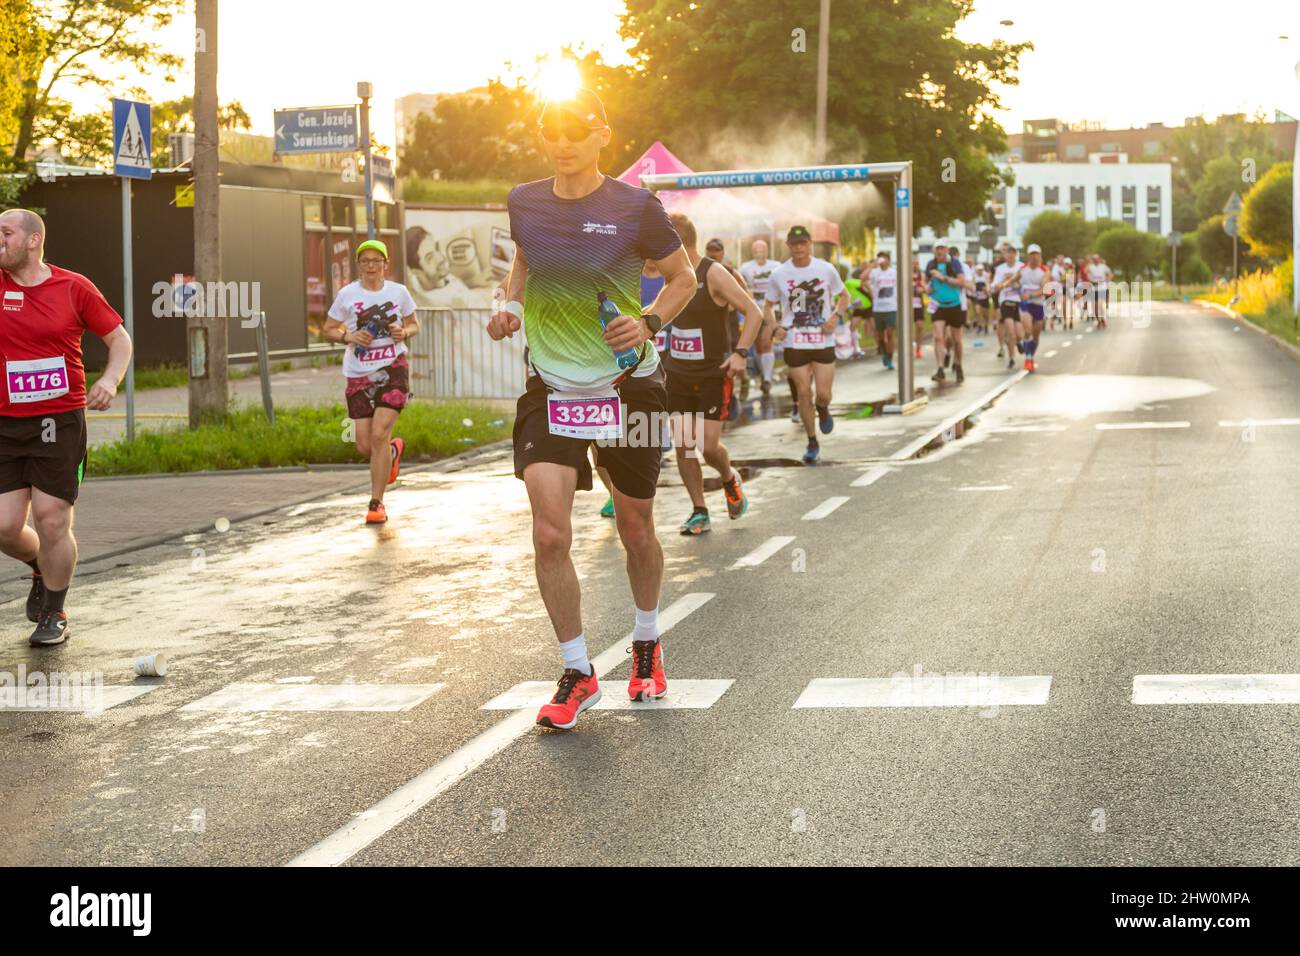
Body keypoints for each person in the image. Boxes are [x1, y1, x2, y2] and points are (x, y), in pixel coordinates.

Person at [488, 88, 695, 729]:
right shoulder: (524, 200)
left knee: (635, 528)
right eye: (553, 128)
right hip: (550, 384)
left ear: (604, 134)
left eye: (578, 128)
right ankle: (579, 672)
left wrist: (650, 321)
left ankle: (646, 641)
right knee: (550, 531)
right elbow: (524, 260)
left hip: (627, 385)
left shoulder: (637, 206)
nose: (564, 138)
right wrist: (511, 306)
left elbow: (681, 277)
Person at [0, 209, 133, 646]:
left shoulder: (73, 287)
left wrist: (110, 380)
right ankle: (41, 563)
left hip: (59, 421)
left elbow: (119, 339)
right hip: (4, 423)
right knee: (3, 526)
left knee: (52, 518)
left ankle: (55, 610)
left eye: (5, 233)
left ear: (33, 240)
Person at [664, 213, 761, 535]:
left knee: (708, 448)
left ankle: (728, 477)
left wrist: (740, 353)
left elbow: (754, 312)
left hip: (711, 373)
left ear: (678, 242)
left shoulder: (713, 272)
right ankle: (699, 509)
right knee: (683, 445)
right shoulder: (670, 275)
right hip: (677, 372)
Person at [323, 239, 419, 525]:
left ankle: (376, 503)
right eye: (365, 261)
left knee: (379, 433)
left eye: (376, 261)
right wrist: (348, 336)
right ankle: (391, 452)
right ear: (359, 266)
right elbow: (327, 328)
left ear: (385, 265)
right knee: (365, 446)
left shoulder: (398, 292)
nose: (371, 266)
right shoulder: (347, 295)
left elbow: (414, 323)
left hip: (393, 367)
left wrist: (404, 332)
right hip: (358, 372)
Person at [765, 225, 850, 465]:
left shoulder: (825, 269)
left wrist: (834, 318)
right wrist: (775, 327)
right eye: (794, 244)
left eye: (803, 243)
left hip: (822, 338)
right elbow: (768, 306)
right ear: (789, 246)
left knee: (822, 394)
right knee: (804, 392)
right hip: (795, 340)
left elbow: (845, 296)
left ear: (810, 244)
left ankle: (823, 409)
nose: (799, 248)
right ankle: (812, 441)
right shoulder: (779, 274)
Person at [738, 240, 781, 396]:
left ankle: (768, 380)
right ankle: (764, 374)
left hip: (771, 309)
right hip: (753, 309)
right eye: (756, 249)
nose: (759, 252)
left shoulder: (776, 266)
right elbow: (741, 287)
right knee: (757, 346)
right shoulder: (746, 268)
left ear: (767, 250)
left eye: (762, 249)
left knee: (766, 343)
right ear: (752, 251)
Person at [925, 242, 970, 384]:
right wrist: (928, 288)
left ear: (946, 250)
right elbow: (926, 281)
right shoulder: (931, 264)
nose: (939, 251)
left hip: (954, 304)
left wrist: (943, 278)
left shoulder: (954, 264)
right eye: (937, 248)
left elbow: (962, 282)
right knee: (938, 337)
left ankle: (958, 364)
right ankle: (940, 369)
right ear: (934, 250)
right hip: (938, 305)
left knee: (957, 340)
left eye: (942, 248)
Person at [1015, 243, 1050, 372]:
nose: (1034, 257)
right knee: (1028, 331)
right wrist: (1001, 285)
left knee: (1035, 336)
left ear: (1040, 256)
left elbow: (1045, 289)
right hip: (1026, 305)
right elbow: (1014, 280)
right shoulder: (1022, 269)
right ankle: (1028, 359)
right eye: (1032, 254)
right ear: (1028, 256)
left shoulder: (1045, 271)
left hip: (1039, 305)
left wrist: (1030, 294)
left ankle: (1031, 356)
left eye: (1036, 254)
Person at [991, 244, 1023, 371]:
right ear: (1005, 256)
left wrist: (1015, 282)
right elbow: (995, 285)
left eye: (1012, 254)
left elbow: (1025, 283)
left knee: (1019, 334)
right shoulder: (1000, 269)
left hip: (1019, 301)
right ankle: (1012, 358)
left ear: (1015, 255)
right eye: (1007, 254)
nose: (1010, 256)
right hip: (1005, 301)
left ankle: (1019, 343)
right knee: (1010, 331)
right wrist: (1001, 283)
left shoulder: (1021, 267)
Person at [867, 251, 899, 370]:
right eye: (880, 258)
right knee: (880, 336)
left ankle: (890, 358)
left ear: (888, 260)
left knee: (890, 334)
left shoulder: (893, 272)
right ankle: (884, 352)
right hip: (878, 308)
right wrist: (872, 265)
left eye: (884, 258)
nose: (882, 260)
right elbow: (863, 279)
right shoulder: (875, 272)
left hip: (891, 307)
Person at [1087, 254, 1112, 329]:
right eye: (1094, 259)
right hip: (1093, 288)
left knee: (1100, 305)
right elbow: (1086, 272)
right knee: (1095, 307)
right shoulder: (1090, 267)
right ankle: (1098, 320)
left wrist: (1107, 281)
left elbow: (1110, 274)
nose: (1096, 260)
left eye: (1097, 258)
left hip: (1102, 288)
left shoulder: (1103, 266)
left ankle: (1103, 319)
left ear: (1099, 259)